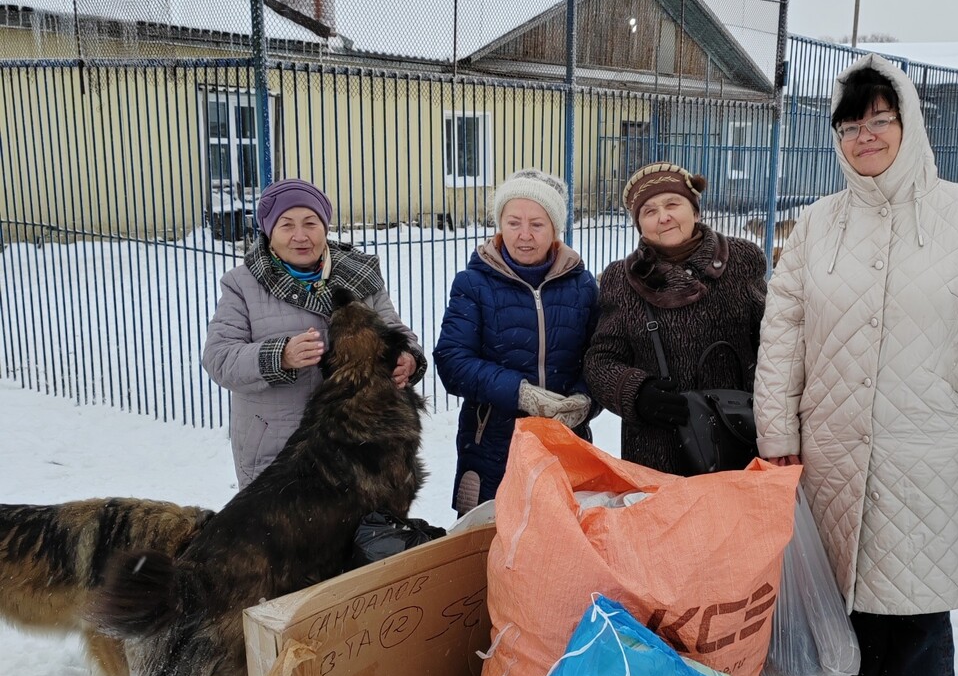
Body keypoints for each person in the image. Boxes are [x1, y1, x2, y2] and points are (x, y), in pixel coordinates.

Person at [753, 54, 958, 676]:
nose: (865, 136)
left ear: (907, 122)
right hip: (835, 452)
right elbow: (783, 338)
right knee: (851, 607)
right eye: (850, 125)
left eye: (880, 119)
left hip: (931, 454)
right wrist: (777, 434)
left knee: (915, 613)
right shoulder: (818, 225)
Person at [202, 178, 425, 488]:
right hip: (279, 451)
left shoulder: (359, 275)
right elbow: (219, 357)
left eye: (310, 223)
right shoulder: (243, 284)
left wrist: (408, 358)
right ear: (269, 231)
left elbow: (395, 331)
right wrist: (279, 356)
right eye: (286, 225)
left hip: (360, 446)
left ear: (325, 226)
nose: (300, 236)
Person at [584, 162, 767, 475]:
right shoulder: (622, 279)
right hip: (657, 449)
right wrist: (637, 393)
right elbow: (600, 361)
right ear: (639, 225)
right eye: (649, 211)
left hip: (738, 437)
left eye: (672, 204)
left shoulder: (742, 260)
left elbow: (774, 344)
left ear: (695, 210)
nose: (663, 217)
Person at [434, 169, 598, 514]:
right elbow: (452, 361)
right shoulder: (473, 284)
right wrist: (520, 392)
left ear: (555, 229)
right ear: (499, 225)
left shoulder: (582, 285)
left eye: (537, 224)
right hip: (493, 445)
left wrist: (586, 399)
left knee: (560, 533)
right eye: (513, 223)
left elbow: (600, 357)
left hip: (565, 443)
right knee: (493, 536)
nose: (524, 235)